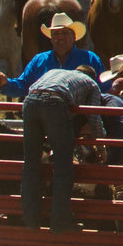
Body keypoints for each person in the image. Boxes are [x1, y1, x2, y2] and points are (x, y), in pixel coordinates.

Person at [19, 65, 103, 233]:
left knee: (31, 163)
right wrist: (101, 145)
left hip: (30, 101)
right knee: (63, 165)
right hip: (54, 103)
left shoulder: (53, 72)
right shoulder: (92, 84)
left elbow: (32, 89)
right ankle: (60, 221)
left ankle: (30, 219)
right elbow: (94, 117)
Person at [0, 13, 105, 98]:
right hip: (45, 115)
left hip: (79, 119)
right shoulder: (40, 60)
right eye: (55, 33)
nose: (60, 37)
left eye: (64, 33)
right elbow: (24, 85)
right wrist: (6, 82)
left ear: (74, 37)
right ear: (51, 38)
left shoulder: (90, 59)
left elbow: (103, 90)